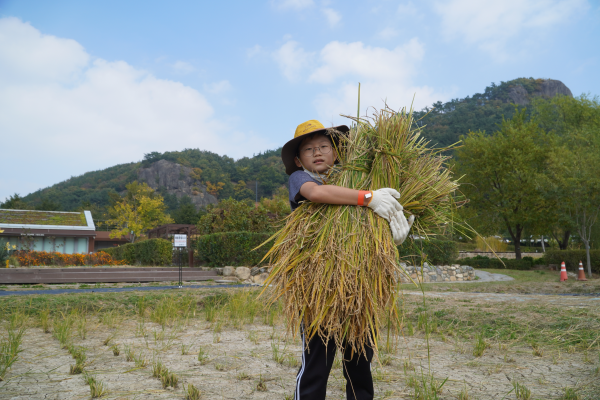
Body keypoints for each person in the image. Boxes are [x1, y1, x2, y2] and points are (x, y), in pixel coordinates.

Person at [281, 120, 415, 400]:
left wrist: (391, 231)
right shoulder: (301, 179)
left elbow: (367, 228)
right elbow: (316, 194)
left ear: (337, 152)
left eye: (324, 147)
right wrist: (368, 198)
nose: (317, 153)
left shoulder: (352, 181)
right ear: (298, 159)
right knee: (317, 360)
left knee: (360, 361)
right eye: (308, 149)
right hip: (318, 289)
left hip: (359, 285)